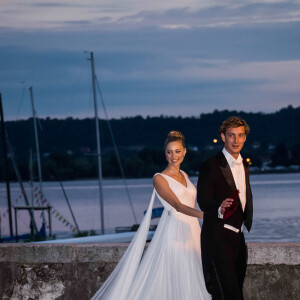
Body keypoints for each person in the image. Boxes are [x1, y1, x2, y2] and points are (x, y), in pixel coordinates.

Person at [91, 131, 211, 300]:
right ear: (165, 154)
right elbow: (177, 205)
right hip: (174, 232)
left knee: (196, 275)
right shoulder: (159, 178)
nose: (173, 156)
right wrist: (205, 215)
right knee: (178, 276)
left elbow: (191, 201)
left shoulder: (185, 175)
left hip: (193, 232)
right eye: (169, 152)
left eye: (177, 151)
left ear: (185, 151)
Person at [197, 116, 253, 300]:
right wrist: (219, 208)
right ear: (223, 137)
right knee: (230, 294)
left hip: (238, 238)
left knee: (230, 293)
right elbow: (203, 199)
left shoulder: (244, 164)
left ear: (245, 138)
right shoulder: (210, 165)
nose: (236, 140)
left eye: (240, 135)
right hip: (217, 239)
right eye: (231, 135)